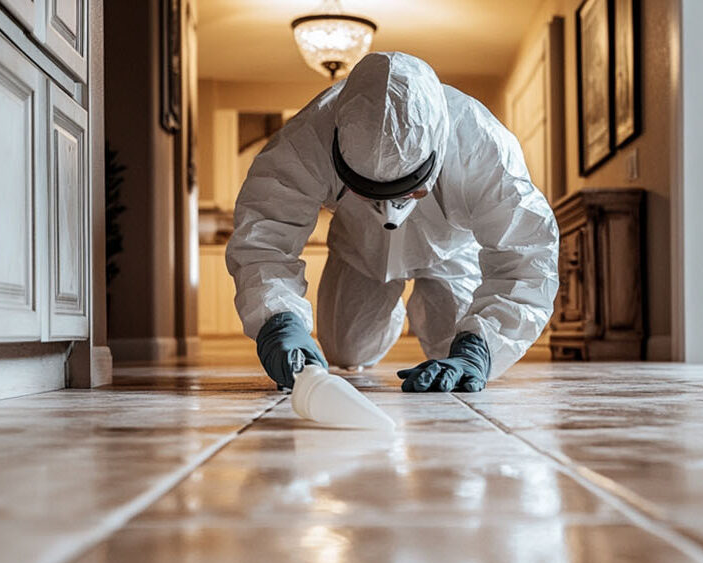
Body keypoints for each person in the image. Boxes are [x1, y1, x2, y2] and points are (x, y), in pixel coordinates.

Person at [225, 52, 559, 393]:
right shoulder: (306, 138)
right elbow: (264, 238)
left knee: (451, 354)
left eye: (407, 193)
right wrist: (278, 319)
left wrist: (481, 348)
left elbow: (527, 254)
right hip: (359, 248)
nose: (388, 212)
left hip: (450, 252)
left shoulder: (481, 143)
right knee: (346, 351)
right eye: (367, 192)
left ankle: (436, 309)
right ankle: (390, 310)